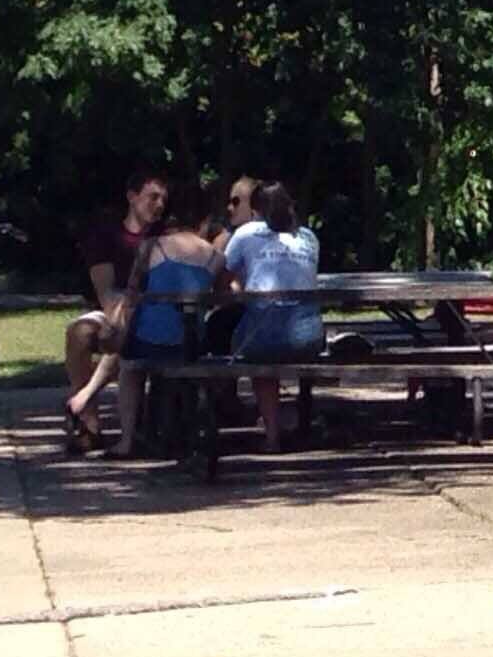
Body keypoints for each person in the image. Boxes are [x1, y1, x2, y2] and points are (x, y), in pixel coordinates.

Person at [68, 195, 228, 458]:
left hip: (149, 343)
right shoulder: (216, 257)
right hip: (190, 344)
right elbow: (221, 296)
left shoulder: (152, 247)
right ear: (203, 221)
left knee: (129, 366)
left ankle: (127, 440)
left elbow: (132, 293)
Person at [63, 171, 166, 452]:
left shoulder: (165, 237)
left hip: (154, 312)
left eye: (163, 200)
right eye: (152, 197)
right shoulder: (107, 237)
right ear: (132, 198)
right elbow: (105, 290)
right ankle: (89, 424)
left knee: (128, 327)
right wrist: (116, 317)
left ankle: (87, 400)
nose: (158, 205)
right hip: (113, 309)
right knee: (79, 332)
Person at [222, 181, 323, 449]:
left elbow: (221, 278)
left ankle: (272, 436)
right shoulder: (309, 237)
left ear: (256, 211)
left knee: (255, 350)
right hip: (310, 337)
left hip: (263, 335)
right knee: (272, 335)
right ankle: (295, 424)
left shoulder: (245, 233)